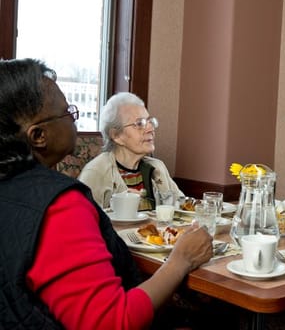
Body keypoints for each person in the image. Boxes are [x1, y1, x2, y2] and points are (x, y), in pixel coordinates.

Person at [0, 58, 214, 329]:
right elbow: (111, 321)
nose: (74, 119)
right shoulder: (60, 205)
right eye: (68, 113)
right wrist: (181, 260)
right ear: (39, 135)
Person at [79, 92, 184, 210]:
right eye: (140, 123)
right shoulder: (96, 173)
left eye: (150, 121)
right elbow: (82, 222)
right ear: (116, 135)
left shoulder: (158, 167)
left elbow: (183, 207)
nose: (150, 128)